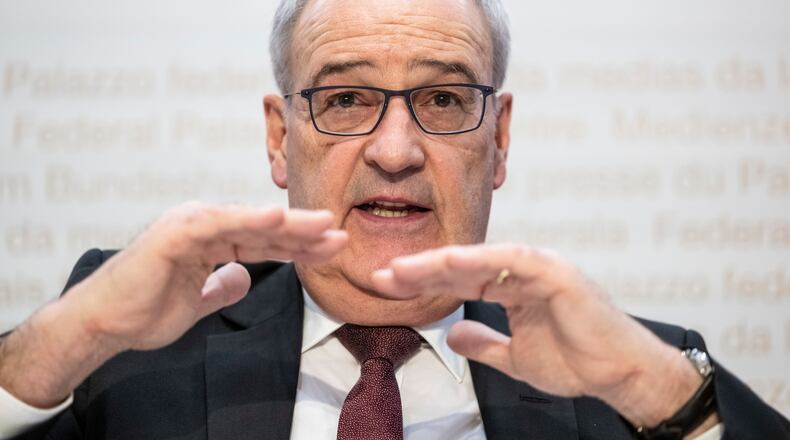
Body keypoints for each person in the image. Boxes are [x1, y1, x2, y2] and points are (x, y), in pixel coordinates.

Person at [0, 0, 788, 439]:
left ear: (499, 139)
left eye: (443, 99)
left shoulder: (635, 379)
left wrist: (659, 396)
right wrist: (50, 356)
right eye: (346, 99)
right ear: (281, 139)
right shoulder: (136, 355)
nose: (397, 150)